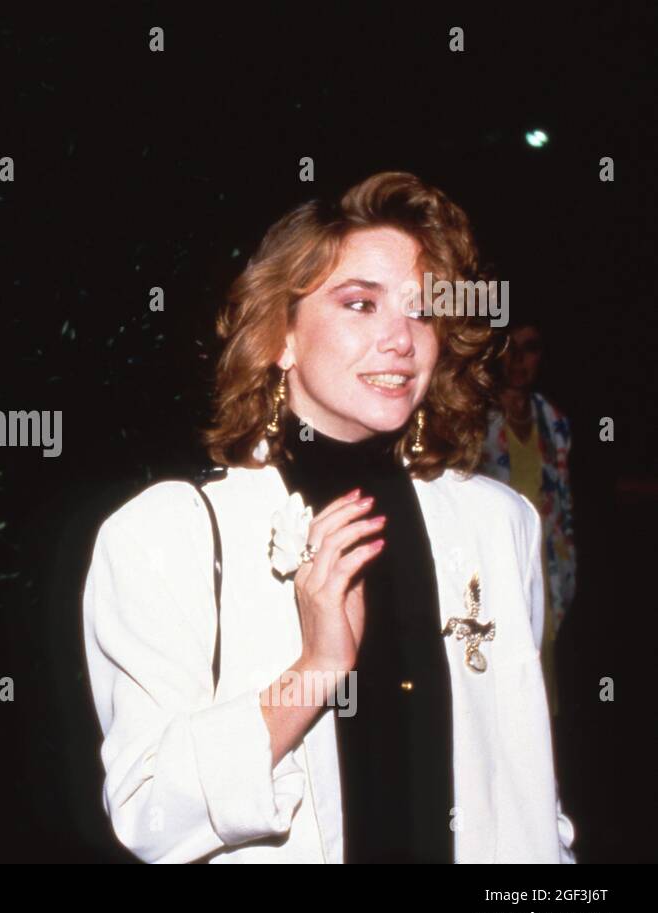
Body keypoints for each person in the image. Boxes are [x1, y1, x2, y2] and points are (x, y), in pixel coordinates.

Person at [82, 172, 576, 863]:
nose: (401, 339)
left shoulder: (499, 525)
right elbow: (149, 812)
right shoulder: (167, 536)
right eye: (359, 304)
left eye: (422, 308)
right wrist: (316, 669)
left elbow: (531, 799)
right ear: (281, 334)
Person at [479, 322, 576, 718]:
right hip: (491, 559)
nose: (519, 360)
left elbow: (565, 503)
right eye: (509, 347)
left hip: (545, 565)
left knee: (542, 662)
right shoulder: (473, 418)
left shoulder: (554, 421)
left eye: (530, 348)